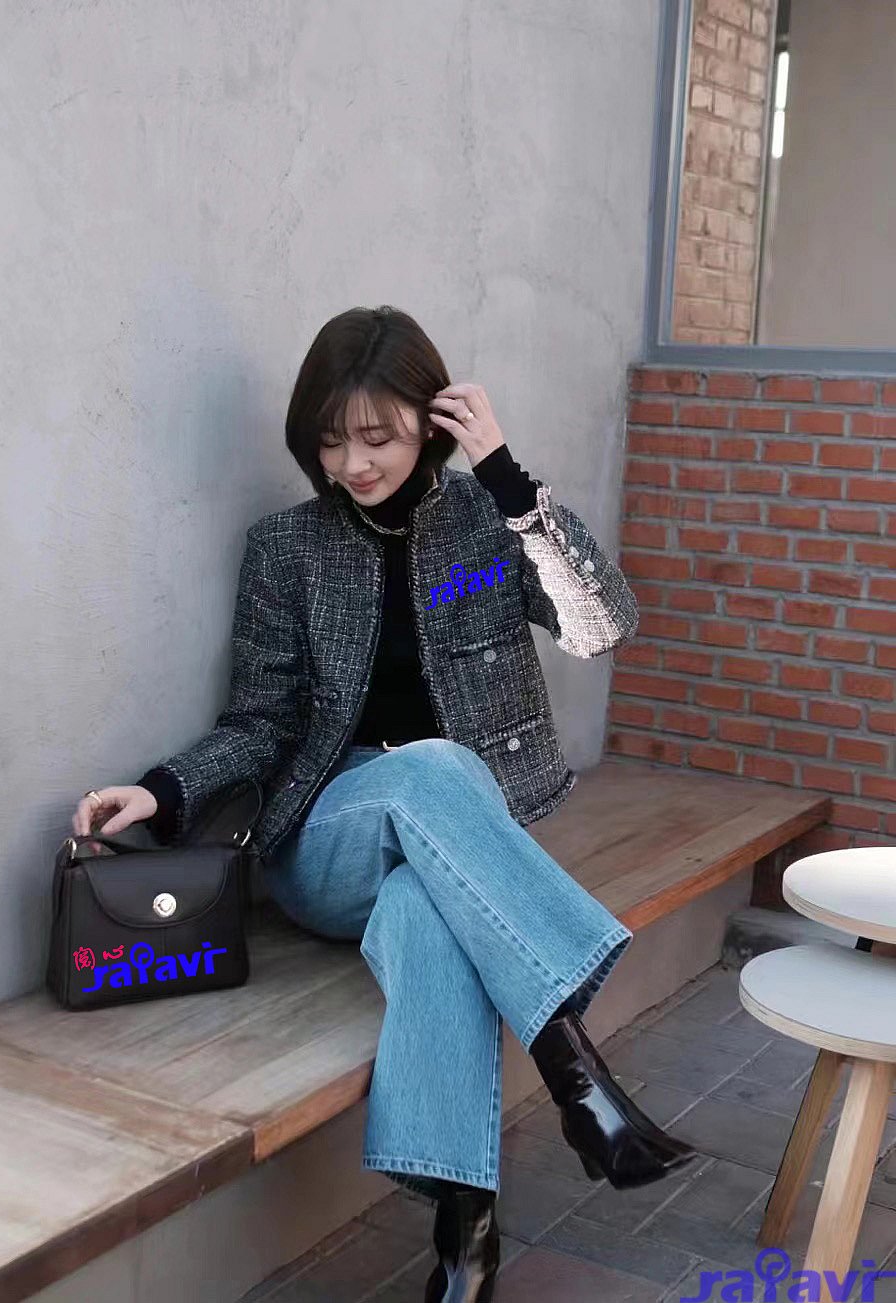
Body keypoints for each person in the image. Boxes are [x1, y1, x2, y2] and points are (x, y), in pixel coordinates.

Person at [71, 305, 697, 1302]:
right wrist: (158, 789)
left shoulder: (487, 522)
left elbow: (603, 623)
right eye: (330, 439)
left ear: (431, 423)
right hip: (329, 840)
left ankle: (466, 1242)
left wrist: (509, 480)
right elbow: (260, 720)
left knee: (429, 915)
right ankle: (574, 1066)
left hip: (455, 853)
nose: (352, 463)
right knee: (435, 769)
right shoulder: (287, 547)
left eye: (377, 436)